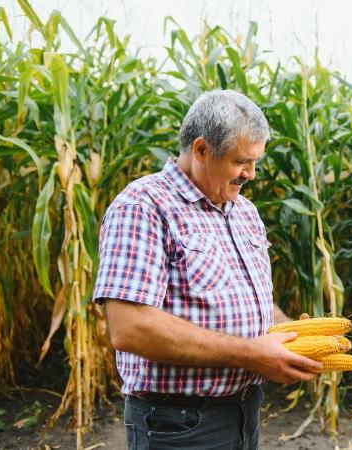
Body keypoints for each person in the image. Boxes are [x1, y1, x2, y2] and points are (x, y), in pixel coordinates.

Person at [93, 90, 323, 450]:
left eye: (255, 161)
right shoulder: (143, 206)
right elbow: (130, 328)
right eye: (242, 162)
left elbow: (252, 304)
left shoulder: (244, 211)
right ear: (201, 149)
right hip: (179, 425)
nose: (251, 174)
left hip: (244, 413)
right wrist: (253, 354)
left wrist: (290, 334)